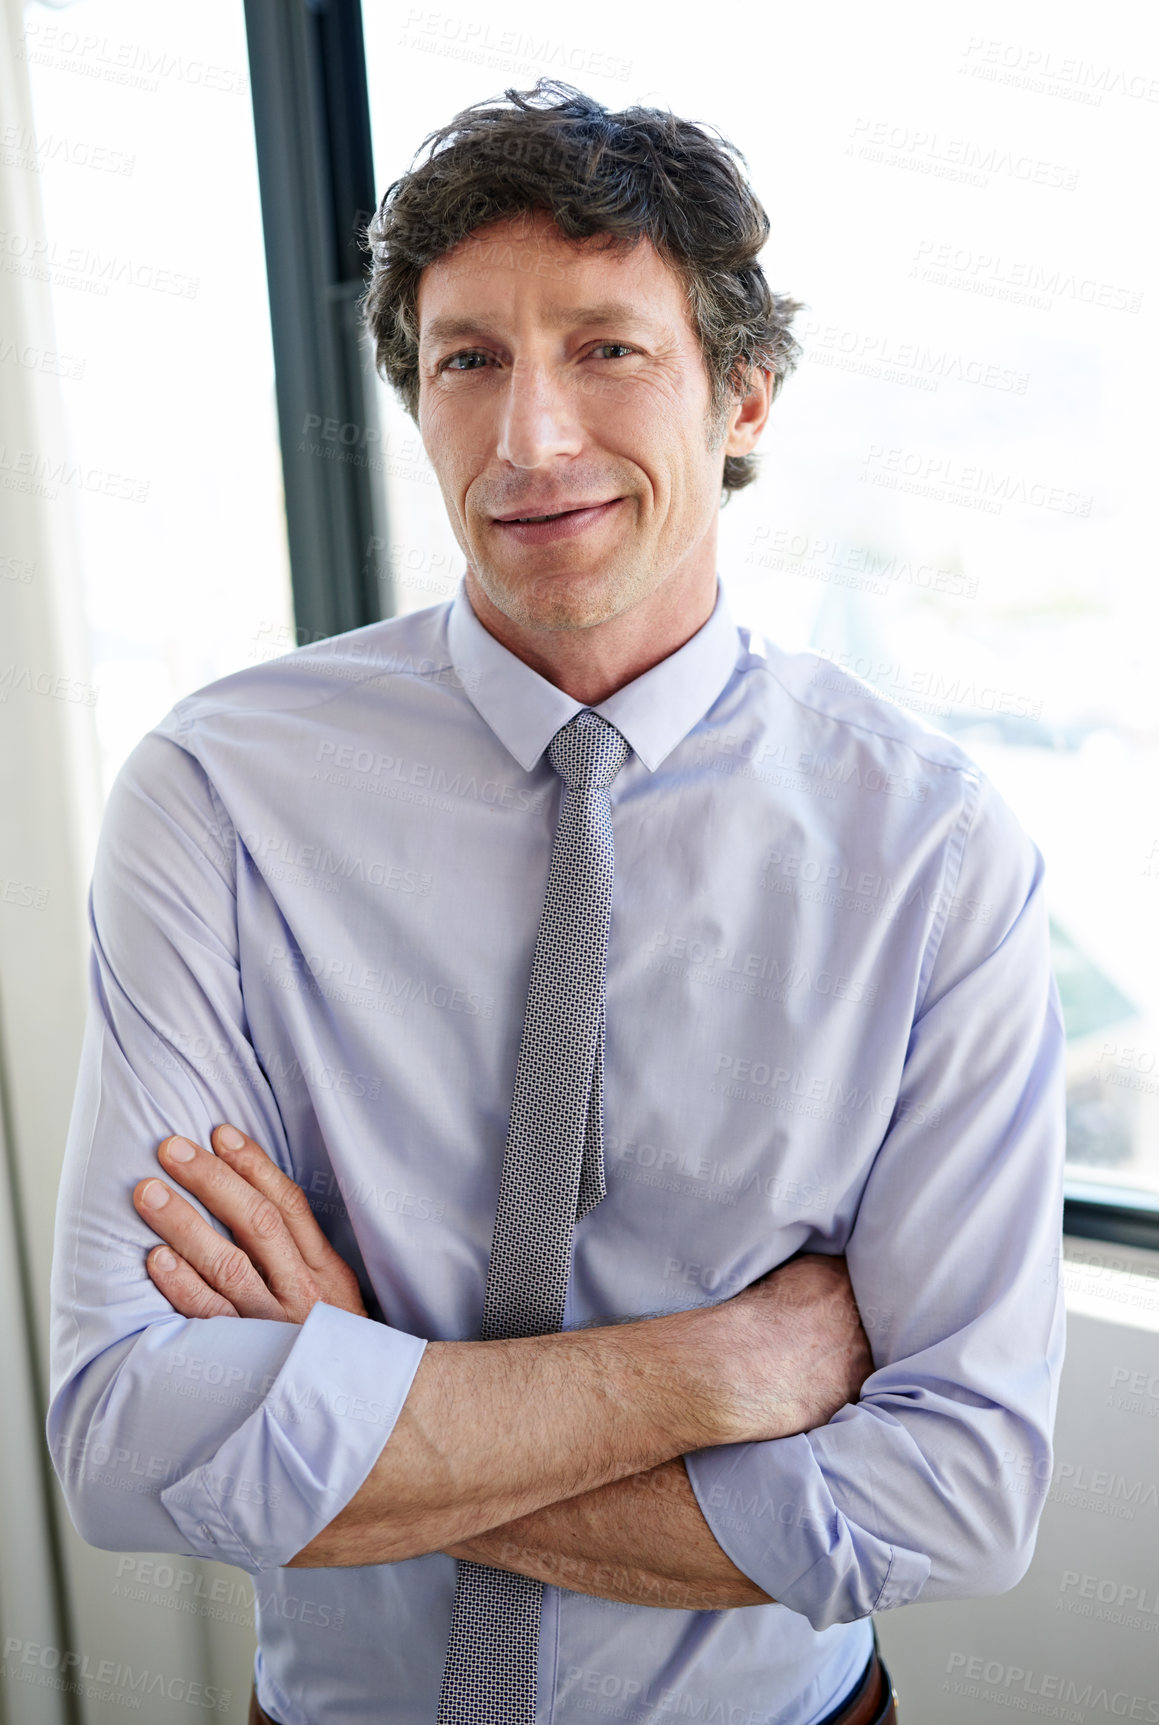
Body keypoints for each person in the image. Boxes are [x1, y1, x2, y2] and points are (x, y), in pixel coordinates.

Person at [47, 79, 1066, 1725]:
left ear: (744, 395)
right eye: (470, 361)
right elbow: (125, 1438)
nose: (530, 438)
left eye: (607, 348)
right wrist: (711, 1376)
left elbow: (958, 1492)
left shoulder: (932, 853)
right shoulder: (220, 795)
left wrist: (361, 1382)